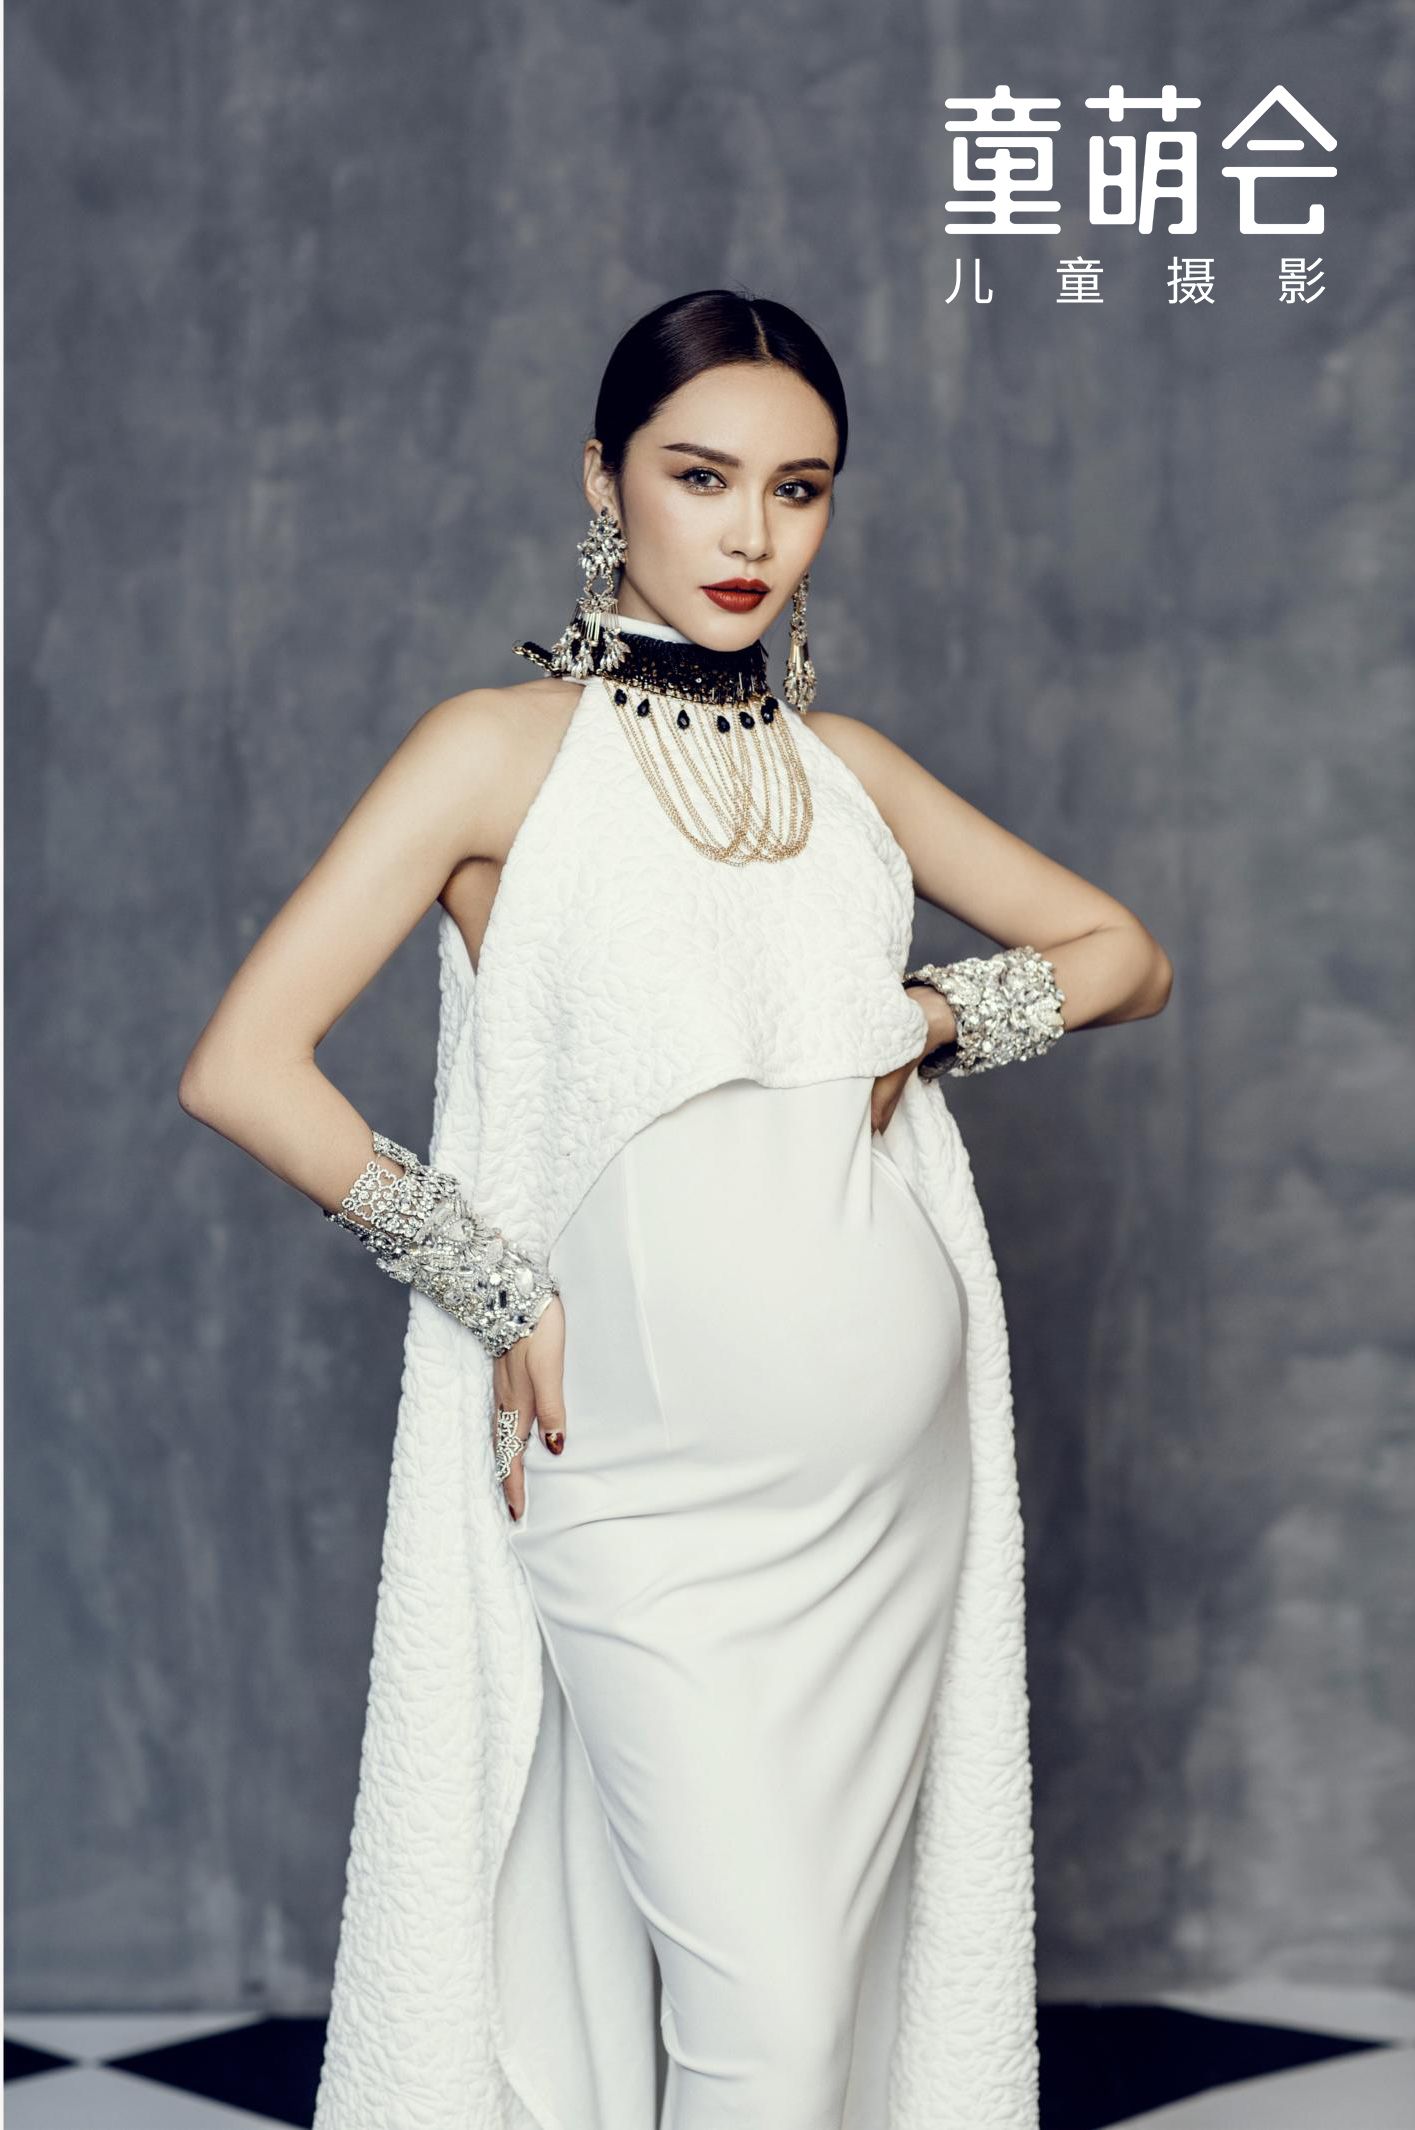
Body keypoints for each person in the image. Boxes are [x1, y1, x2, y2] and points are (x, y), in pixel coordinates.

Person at [179, 288, 1173, 2130]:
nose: (751, 534)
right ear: (603, 478)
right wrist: (491, 1282)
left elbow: (1127, 954)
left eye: (800, 488)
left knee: (821, 2002)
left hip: (881, 1505)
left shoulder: (846, 772)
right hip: (636, 1481)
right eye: (701, 476)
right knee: (763, 2010)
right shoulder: (493, 750)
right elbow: (245, 1063)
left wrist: (935, 1018)